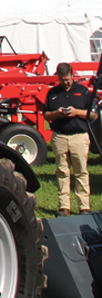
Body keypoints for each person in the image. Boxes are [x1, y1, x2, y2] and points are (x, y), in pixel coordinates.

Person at [44, 62, 94, 215]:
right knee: (62, 171)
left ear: (72, 75)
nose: (65, 82)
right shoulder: (52, 93)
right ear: (58, 77)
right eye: (62, 79)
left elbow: (93, 114)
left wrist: (76, 112)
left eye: (67, 79)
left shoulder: (83, 92)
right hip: (59, 136)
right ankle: (64, 206)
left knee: (81, 171)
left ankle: (84, 207)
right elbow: (46, 114)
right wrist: (57, 113)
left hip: (79, 136)